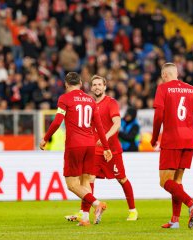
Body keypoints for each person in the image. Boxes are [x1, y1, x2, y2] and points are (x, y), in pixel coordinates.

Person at [40, 72, 112, 226]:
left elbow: (57, 121)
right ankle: (85, 218)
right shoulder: (90, 100)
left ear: (66, 85)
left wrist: (46, 138)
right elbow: (99, 126)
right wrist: (106, 147)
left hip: (75, 145)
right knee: (85, 181)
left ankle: (96, 203)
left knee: (72, 184)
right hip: (90, 145)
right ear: (80, 83)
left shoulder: (64, 99)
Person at [65, 75, 138, 223]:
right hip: (93, 150)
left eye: (99, 84)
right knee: (88, 179)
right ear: (91, 88)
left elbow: (117, 124)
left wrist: (104, 137)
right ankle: (84, 213)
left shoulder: (111, 103)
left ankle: (132, 210)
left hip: (112, 149)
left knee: (121, 178)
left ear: (105, 87)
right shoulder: (89, 103)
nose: (97, 87)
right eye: (94, 85)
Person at [151, 63, 193, 229]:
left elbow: (158, 117)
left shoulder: (163, 88)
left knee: (164, 182)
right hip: (189, 139)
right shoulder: (192, 90)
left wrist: (155, 137)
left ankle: (191, 203)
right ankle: (175, 221)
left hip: (171, 139)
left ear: (164, 75)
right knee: (177, 181)